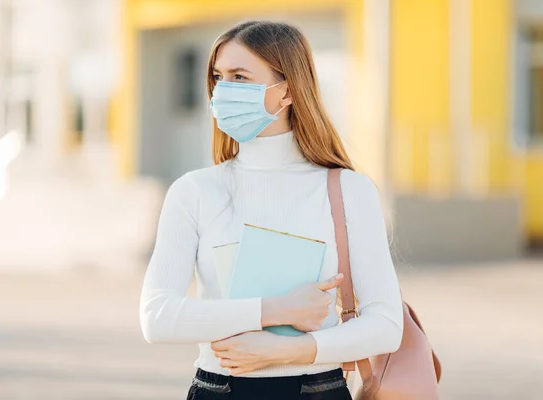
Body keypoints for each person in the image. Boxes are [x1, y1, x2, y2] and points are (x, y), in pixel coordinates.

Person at [139, 20, 403, 400]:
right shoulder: (194, 191)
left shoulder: (349, 190)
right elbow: (157, 318)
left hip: (318, 389)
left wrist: (288, 350)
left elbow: (386, 324)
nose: (223, 90)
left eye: (240, 77)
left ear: (287, 92)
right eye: (218, 77)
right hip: (220, 389)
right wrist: (274, 310)